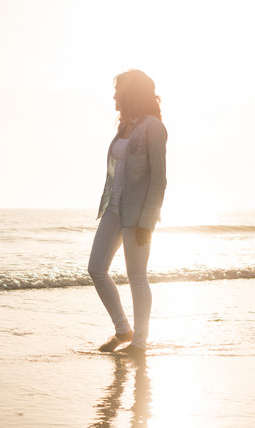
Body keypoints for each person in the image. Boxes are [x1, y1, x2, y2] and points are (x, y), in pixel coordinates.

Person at [88, 69, 167, 357]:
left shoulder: (153, 128)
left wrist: (148, 221)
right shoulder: (124, 126)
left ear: (131, 93)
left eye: (118, 91)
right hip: (113, 207)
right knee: (96, 269)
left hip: (138, 214)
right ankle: (123, 330)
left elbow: (159, 179)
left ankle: (139, 343)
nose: (113, 96)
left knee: (137, 276)